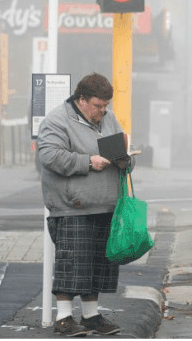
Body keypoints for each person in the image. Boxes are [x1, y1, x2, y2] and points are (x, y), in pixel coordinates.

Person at [37, 73, 132, 337]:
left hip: (105, 206)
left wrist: (126, 160)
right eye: (98, 106)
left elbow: (119, 155)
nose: (103, 112)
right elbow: (49, 156)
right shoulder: (57, 120)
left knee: (97, 265)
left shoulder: (108, 120)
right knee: (72, 263)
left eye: (105, 106)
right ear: (81, 100)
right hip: (72, 206)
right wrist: (88, 162)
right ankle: (64, 318)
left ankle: (91, 316)